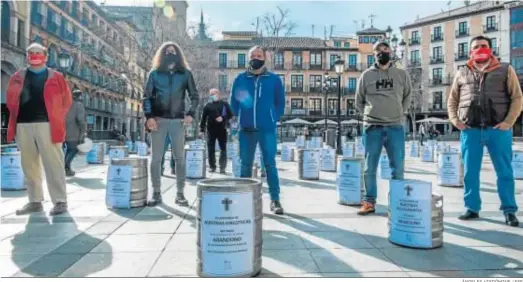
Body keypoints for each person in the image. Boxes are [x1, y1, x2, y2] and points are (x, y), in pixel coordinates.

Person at [447, 35, 522, 227]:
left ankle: (509, 210)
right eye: (476, 47)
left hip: (498, 129)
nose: (480, 49)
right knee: (470, 172)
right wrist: (455, 120)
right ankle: (472, 207)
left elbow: (517, 98)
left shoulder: (506, 69)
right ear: (470, 52)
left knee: (504, 172)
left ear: (491, 48)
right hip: (470, 130)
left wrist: (508, 122)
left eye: (484, 46)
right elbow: (452, 99)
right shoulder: (462, 72)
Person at [5, 43, 72, 216]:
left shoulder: (56, 77)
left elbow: (66, 101)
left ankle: (60, 201)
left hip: (47, 124)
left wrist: (56, 117)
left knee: (54, 163)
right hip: (23, 125)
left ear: (46, 56)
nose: (34, 55)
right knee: (29, 165)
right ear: (27, 56)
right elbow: (11, 101)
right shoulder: (17, 76)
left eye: (38, 53)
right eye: (31, 53)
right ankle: (34, 201)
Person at [355, 40, 412, 215]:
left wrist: (400, 113)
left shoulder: (401, 74)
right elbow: (359, 101)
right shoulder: (366, 75)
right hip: (373, 127)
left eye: (385, 48)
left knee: (398, 167)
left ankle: (397, 202)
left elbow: (407, 96)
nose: (382, 52)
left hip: (395, 126)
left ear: (391, 51)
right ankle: (369, 202)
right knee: (369, 167)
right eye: (377, 50)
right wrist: (370, 115)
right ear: (373, 54)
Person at [230, 45, 285, 214]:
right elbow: (234, 102)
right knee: (245, 165)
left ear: (264, 58)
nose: (256, 58)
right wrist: (239, 118)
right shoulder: (240, 79)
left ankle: (275, 200)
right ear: (248, 58)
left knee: (270, 164)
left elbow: (280, 103)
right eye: (253, 55)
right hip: (246, 129)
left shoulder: (274, 80)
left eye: (259, 55)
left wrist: (272, 117)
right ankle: (243, 200)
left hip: (266, 129)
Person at [143, 41, 199, 206]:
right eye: (167, 51)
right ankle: (156, 193)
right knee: (155, 159)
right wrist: (149, 117)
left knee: (180, 158)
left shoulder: (185, 74)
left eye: (173, 51)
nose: (170, 53)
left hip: (177, 121)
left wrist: (190, 114)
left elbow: (194, 96)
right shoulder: (154, 74)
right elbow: (146, 96)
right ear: (162, 54)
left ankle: (180, 193)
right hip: (158, 121)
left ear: (178, 54)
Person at [200, 88, 233, 173]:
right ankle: (212, 166)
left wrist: (223, 118)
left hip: (222, 129)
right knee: (211, 149)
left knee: (223, 149)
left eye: (214, 94)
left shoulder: (224, 104)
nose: (213, 96)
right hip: (210, 130)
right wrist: (201, 129)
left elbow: (230, 114)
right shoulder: (207, 105)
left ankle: (222, 167)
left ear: (218, 94)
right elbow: (203, 118)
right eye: (211, 94)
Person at [64, 89, 87, 177]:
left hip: (64, 131)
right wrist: (83, 131)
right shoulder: (78, 105)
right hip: (74, 132)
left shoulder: (67, 103)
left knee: (69, 149)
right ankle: (66, 167)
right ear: (80, 96)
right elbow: (80, 120)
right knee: (74, 149)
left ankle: (66, 167)